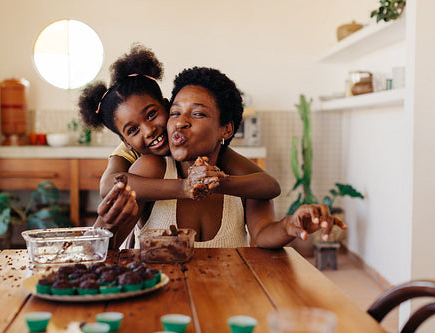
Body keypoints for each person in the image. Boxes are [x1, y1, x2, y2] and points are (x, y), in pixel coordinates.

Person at [78, 45, 281, 242]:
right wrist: (185, 187)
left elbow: (270, 186)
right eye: (133, 130)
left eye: (152, 114)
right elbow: (109, 185)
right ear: (126, 141)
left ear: (165, 106)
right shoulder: (140, 160)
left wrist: (216, 182)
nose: (149, 131)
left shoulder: (220, 157)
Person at [128, 66, 346, 249]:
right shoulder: (152, 169)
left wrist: (289, 225)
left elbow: (263, 233)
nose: (180, 122)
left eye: (198, 114)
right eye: (175, 113)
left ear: (226, 130)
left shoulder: (243, 182)